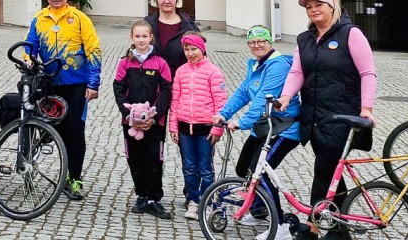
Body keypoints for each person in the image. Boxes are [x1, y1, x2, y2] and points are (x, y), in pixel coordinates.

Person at [276, 0, 377, 239]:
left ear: (332, 6)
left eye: (318, 5)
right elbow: (297, 72)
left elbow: (368, 73)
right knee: (333, 174)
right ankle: (338, 227)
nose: (313, 10)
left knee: (323, 171)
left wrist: (367, 108)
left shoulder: (350, 34)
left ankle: (313, 226)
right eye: (309, 7)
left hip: (342, 116)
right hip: (314, 117)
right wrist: (286, 97)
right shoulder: (304, 39)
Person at [213, 25, 301, 239]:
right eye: (252, 42)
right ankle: (260, 210)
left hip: (284, 129)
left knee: (258, 172)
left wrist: (241, 123)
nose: (257, 45)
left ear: (270, 41)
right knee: (244, 169)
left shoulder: (278, 65)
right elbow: (243, 92)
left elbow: (263, 99)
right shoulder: (256, 65)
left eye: (261, 40)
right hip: (263, 128)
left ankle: (281, 226)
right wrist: (223, 114)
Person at [25, 0, 102, 201]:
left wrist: (93, 83)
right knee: (52, 130)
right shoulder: (39, 19)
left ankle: (74, 180)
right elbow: (30, 46)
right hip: (49, 84)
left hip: (76, 84)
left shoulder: (79, 19)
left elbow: (93, 50)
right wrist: (29, 58)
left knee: (75, 132)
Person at [112, 18, 173, 220]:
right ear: (132, 37)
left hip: (155, 123)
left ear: (151, 38)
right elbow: (118, 89)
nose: (141, 40)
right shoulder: (125, 62)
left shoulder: (160, 63)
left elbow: (166, 91)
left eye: (144, 36)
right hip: (130, 123)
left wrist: (155, 116)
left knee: (154, 159)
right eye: (137, 36)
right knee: (135, 160)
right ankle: (141, 195)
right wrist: (127, 114)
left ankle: (154, 199)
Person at [166, 32, 227, 219]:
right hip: (185, 127)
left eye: (194, 49)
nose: (191, 53)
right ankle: (193, 200)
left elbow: (221, 102)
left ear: (202, 49)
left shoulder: (213, 72)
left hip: (205, 128)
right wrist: (173, 126)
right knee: (189, 167)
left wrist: (218, 127)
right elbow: (175, 100)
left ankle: (207, 200)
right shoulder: (181, 71)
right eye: (187, 49)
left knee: (205, 167)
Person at [146, 0, 200, 75]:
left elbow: (200, 58)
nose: (167, 1)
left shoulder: (190, 27)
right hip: (153, 83)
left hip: (181, 81)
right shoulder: (146, 25)